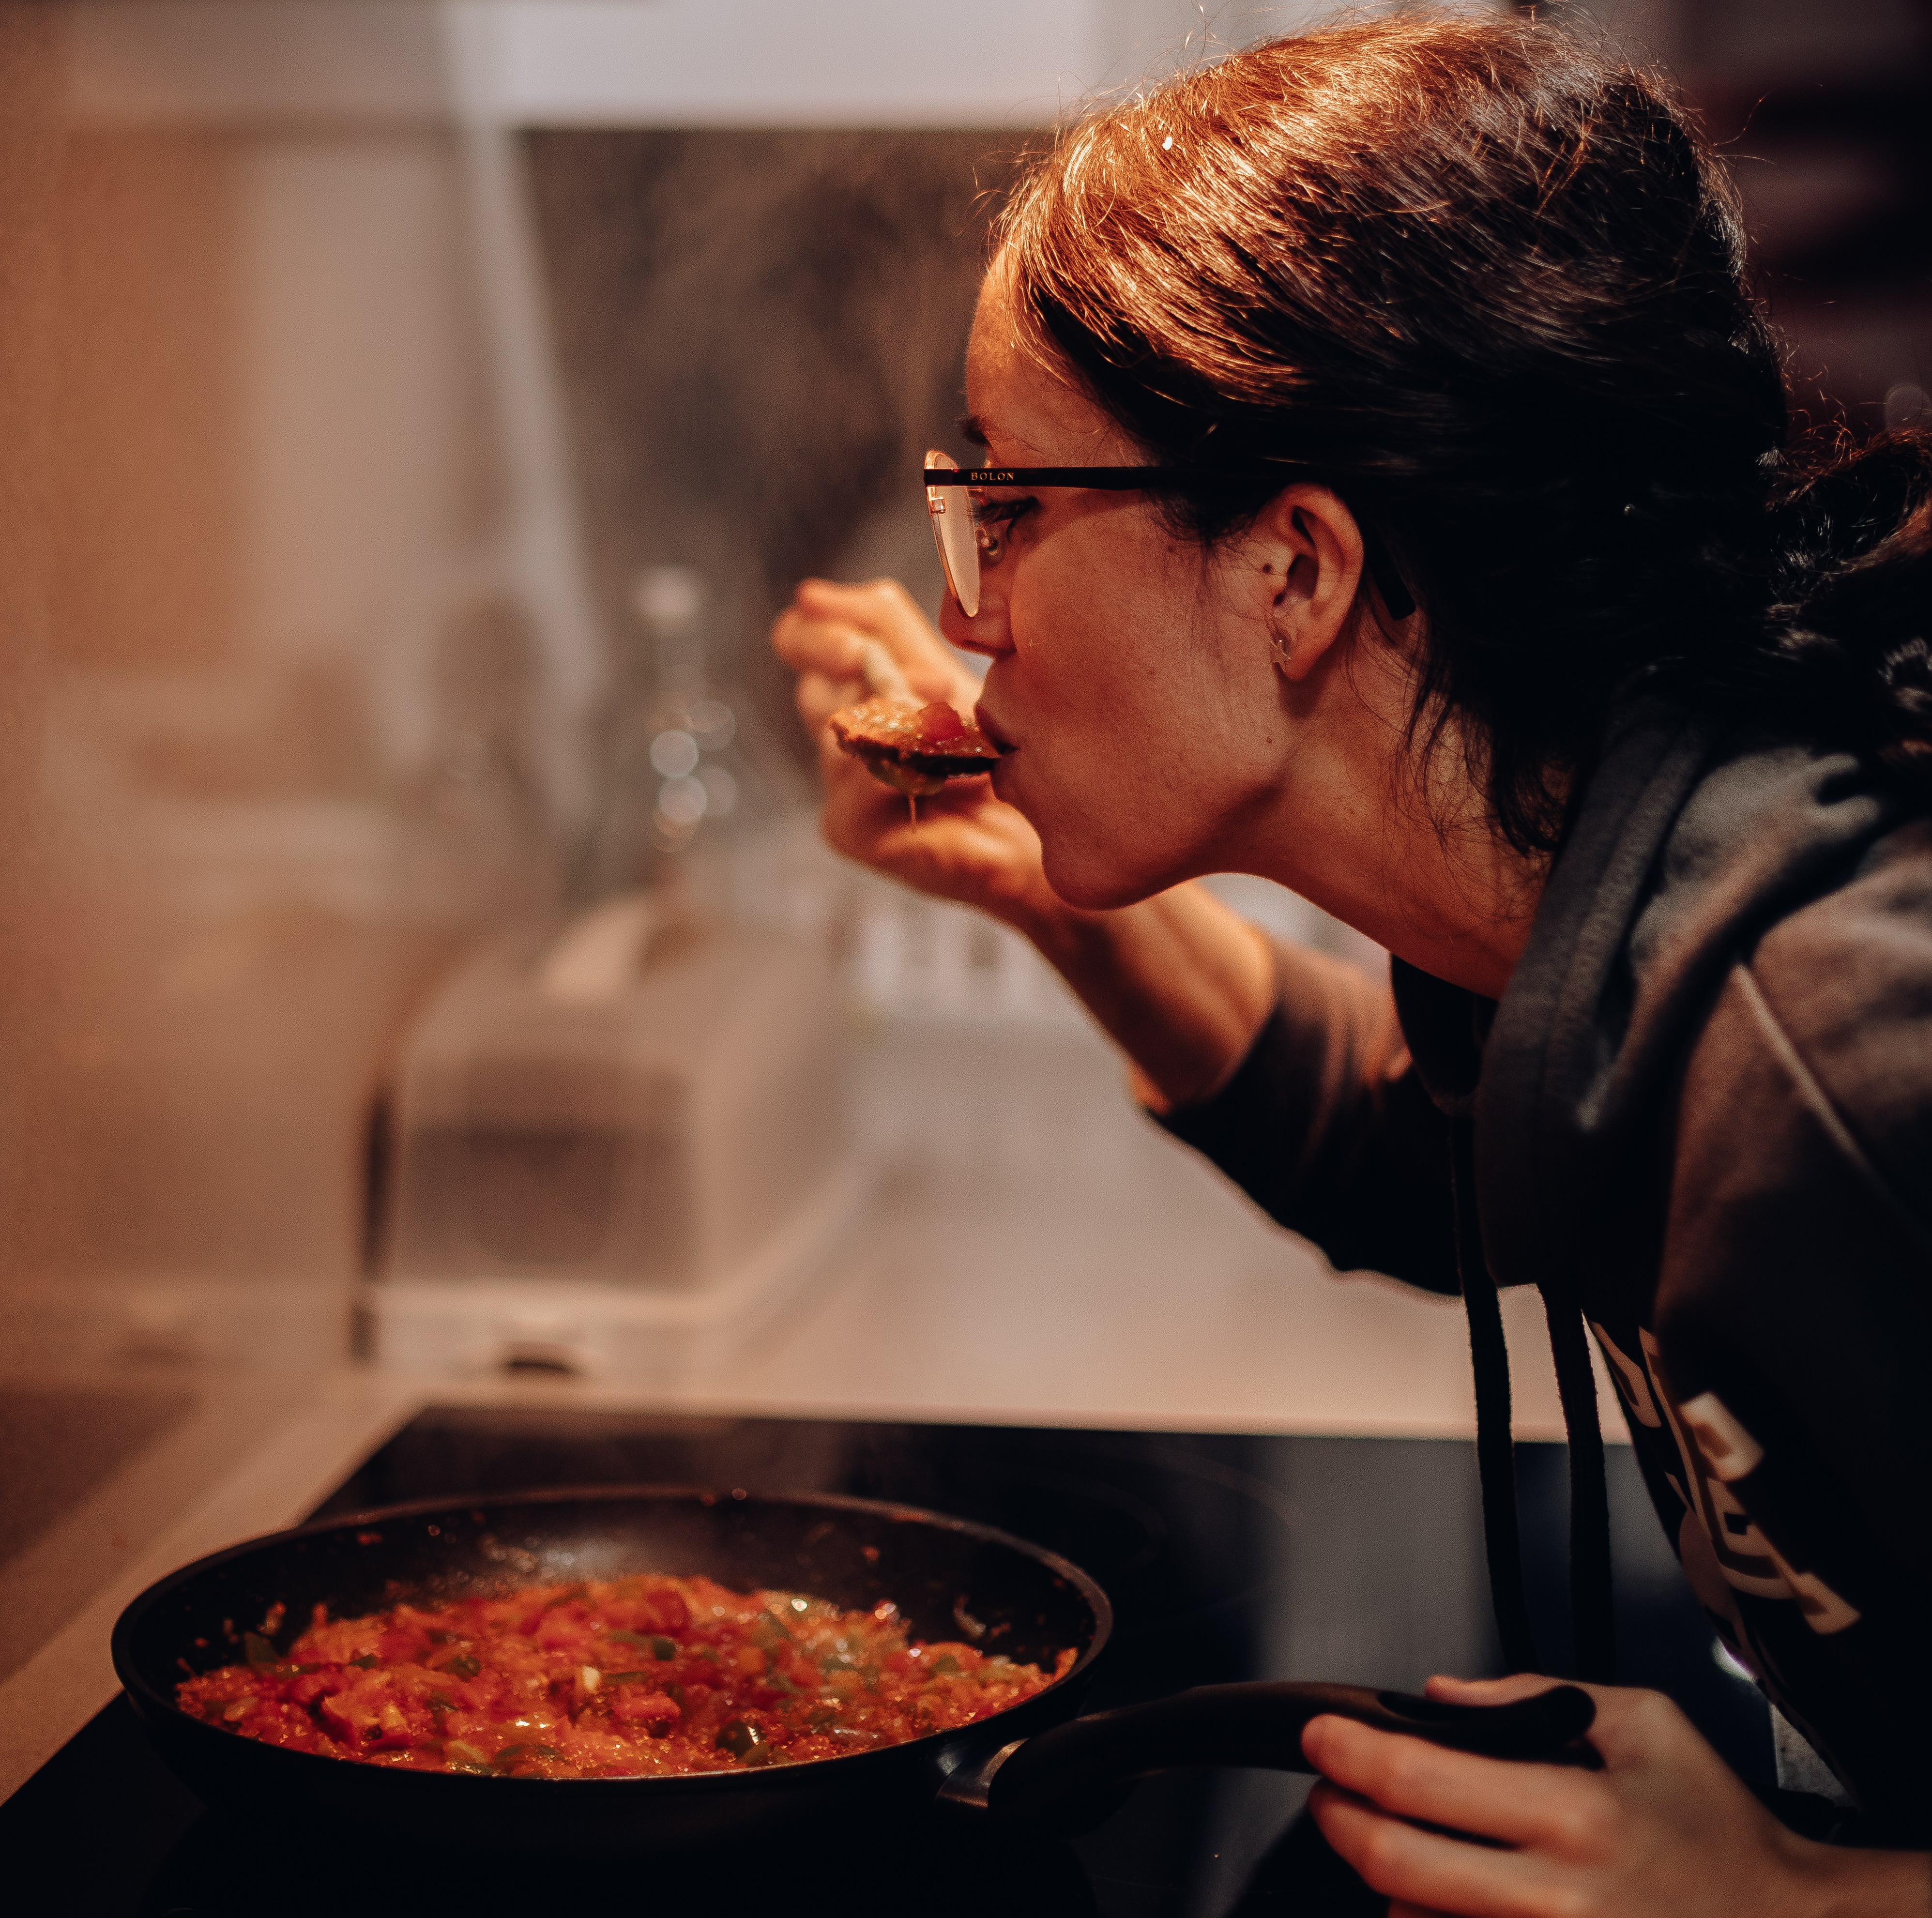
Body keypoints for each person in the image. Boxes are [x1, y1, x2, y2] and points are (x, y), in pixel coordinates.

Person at [773, 16, 1931, 1915]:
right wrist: (1055, 890)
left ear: (1291, 571)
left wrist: (1793, 1900)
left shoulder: (1848, 1055)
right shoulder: (1602, 913)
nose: (971, 609)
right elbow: (1417, 1160)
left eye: (1012, 503)